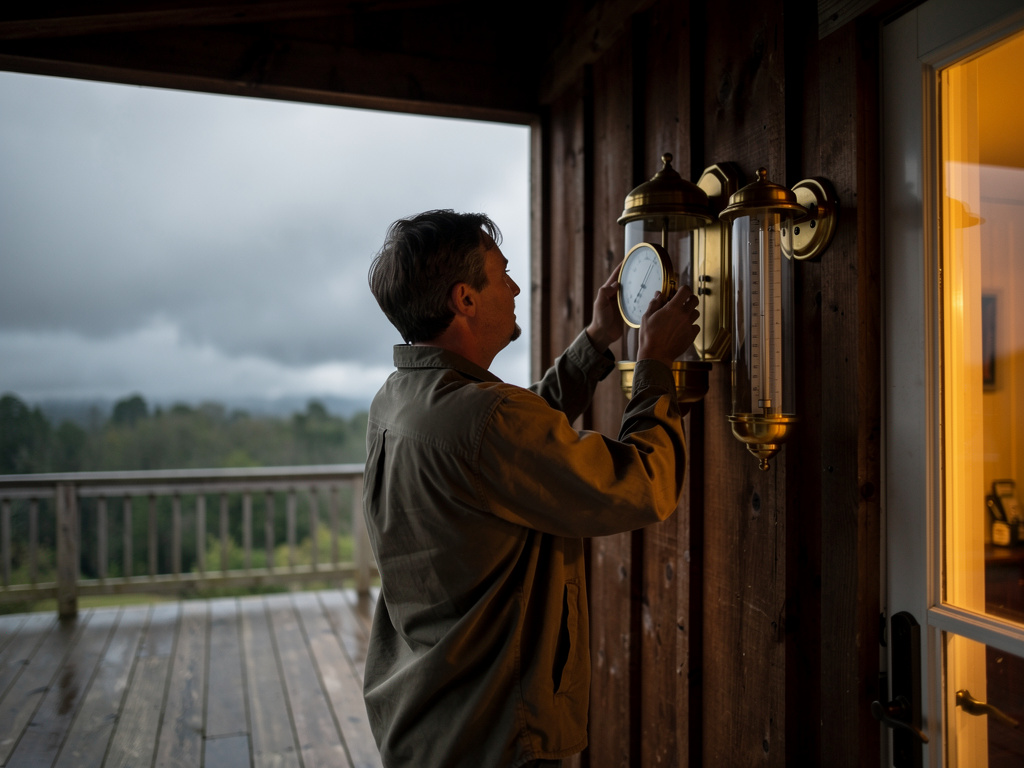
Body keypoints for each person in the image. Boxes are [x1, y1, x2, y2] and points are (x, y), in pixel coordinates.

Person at [363, 209, 700, 767]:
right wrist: (655, 367)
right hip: (497, 732)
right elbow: (645, 484)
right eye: (502, 275)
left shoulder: (399, 398)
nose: (516, 287)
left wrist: (596, 340)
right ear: (465, 299)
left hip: (427, 717)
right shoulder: (484, 418)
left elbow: (517, 446)